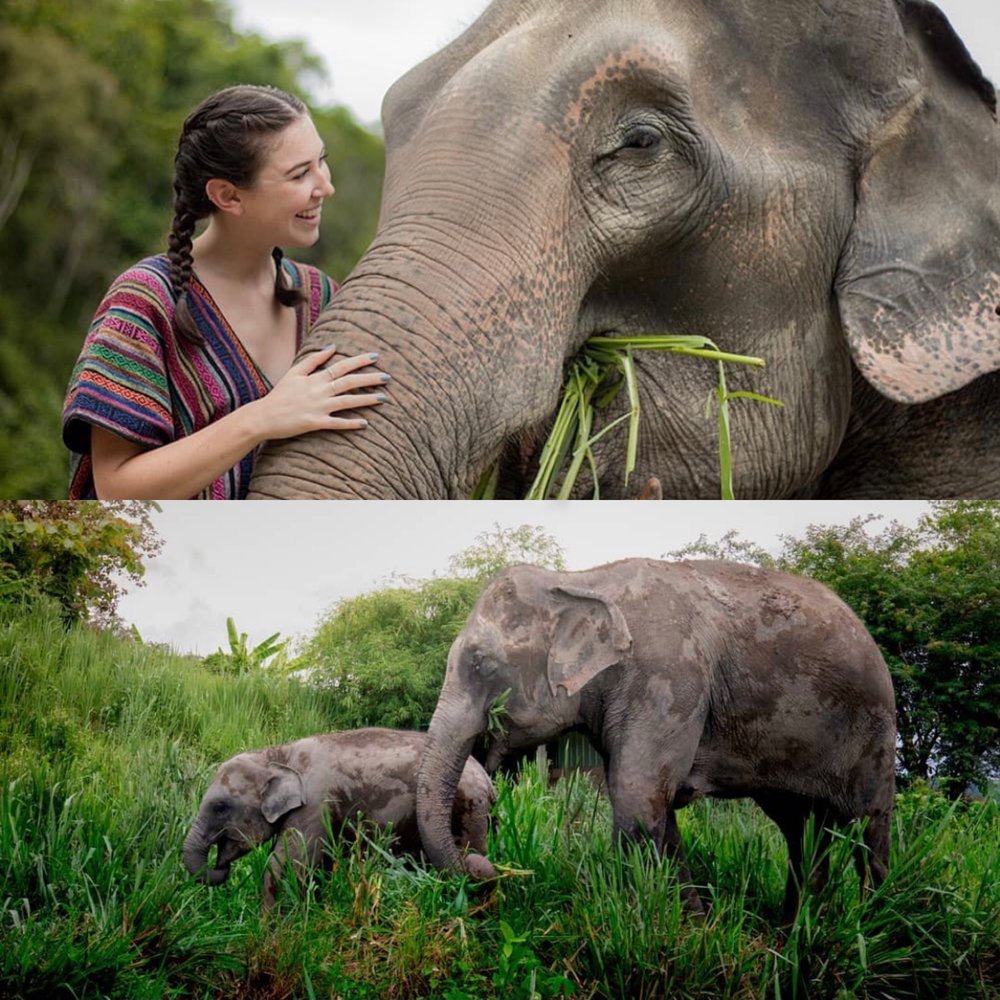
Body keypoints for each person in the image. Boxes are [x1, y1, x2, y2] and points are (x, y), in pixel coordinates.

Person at [62, 84, 388, 499]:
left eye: (321, 161)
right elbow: (116, 490)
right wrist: (260, 419)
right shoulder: (144, 302)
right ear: (228, 195)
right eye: (299, 174)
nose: (325, 186)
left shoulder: (321, 296)